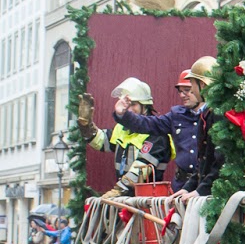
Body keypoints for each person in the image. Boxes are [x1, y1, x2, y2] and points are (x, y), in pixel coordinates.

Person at [112, 57, 220, 204]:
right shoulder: (176, 116)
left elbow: (218, 160)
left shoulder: (213, 114)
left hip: (208, 186)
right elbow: (149, 124)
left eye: (188, 90)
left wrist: (200, 189)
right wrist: (123, 115)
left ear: (202, 85)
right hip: (183, 185)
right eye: (180, 91)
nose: (183, 95)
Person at [76, 77, 173, 193]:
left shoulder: (157, 134)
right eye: (126, 104)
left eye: (133, 104)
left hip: (148, 200)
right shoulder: (122, 130)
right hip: (125, 196)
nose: (129, 109)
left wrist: (118, 191)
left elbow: (141, 169)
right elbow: (100, 142)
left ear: (145, 106)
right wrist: (86, 125)